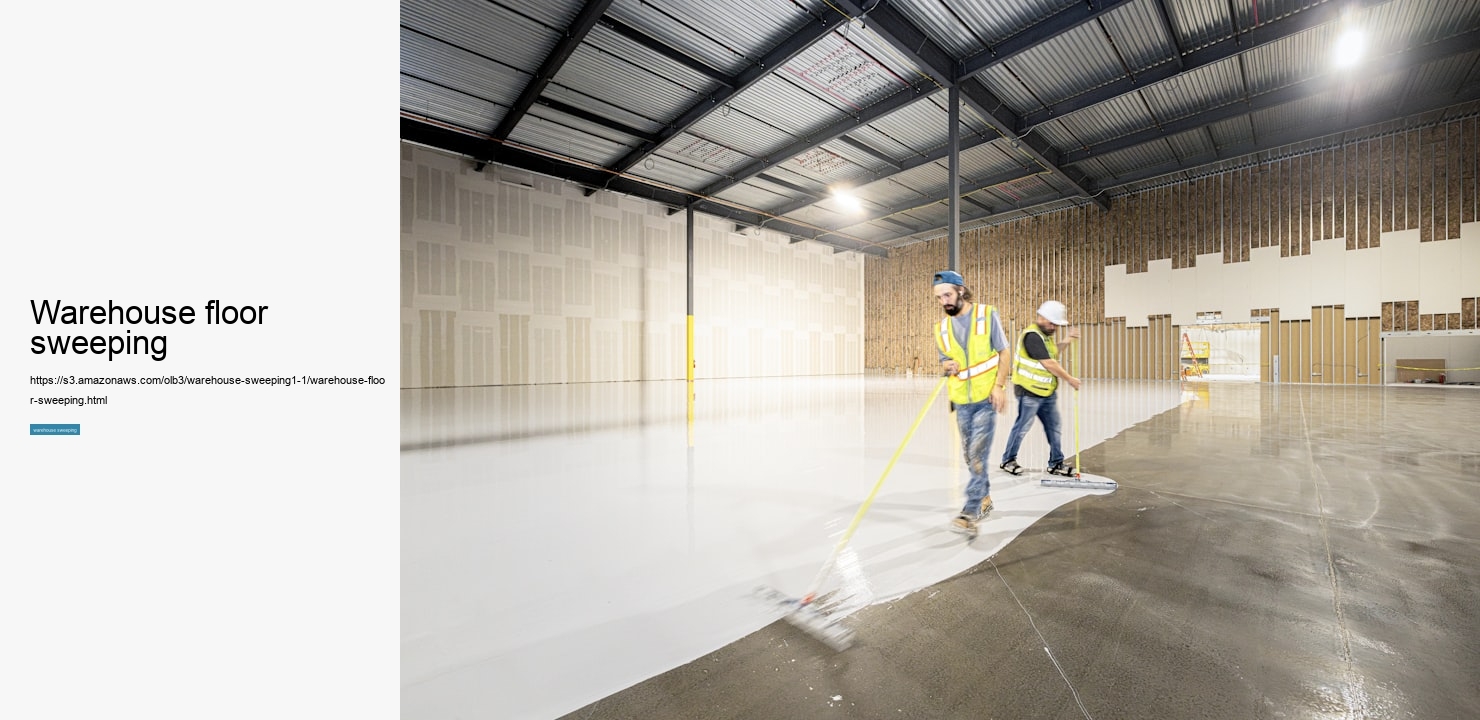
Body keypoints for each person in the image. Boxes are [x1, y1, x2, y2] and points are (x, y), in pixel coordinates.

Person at [931, 270, 1010, 535]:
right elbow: (944, 358)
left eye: (948, 295)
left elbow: (1004, 351)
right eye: (940, 297)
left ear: (961, 291)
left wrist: (999, 386)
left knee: (977, 453)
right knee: (969, 454)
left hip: (985, 397)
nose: (944, 302)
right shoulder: (941, 328)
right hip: (960, 401)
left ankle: (970, 510)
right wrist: (946, 364)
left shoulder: (987, 315)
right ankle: (985, 498)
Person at [999, 300, 1082, 478]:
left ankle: (1056, 463)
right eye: (1051, 323)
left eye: (1056, 324)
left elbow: (1053, 353)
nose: (1054, 327)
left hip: (1046, 391)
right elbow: (1049, 363)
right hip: (1029, 391)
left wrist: (1067, 340)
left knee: (1054, 426)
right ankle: (1008, 460)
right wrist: (1069, 379)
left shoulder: (1046, 336)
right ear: (1041, 318)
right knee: (1022, 426)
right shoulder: (1032, 336)